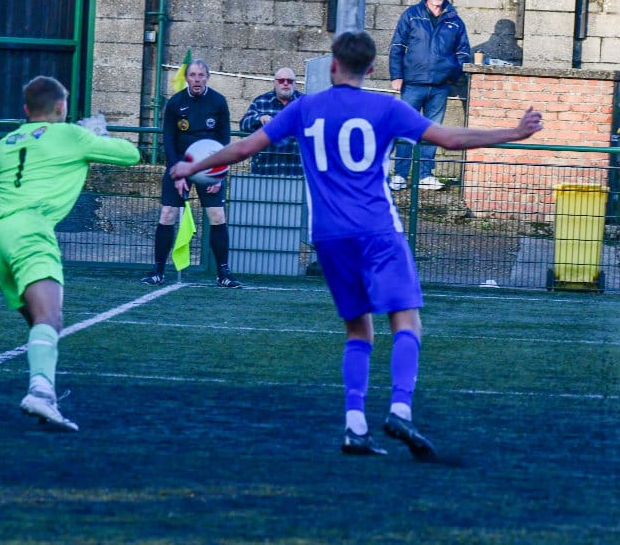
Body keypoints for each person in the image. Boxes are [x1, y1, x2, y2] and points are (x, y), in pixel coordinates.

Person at [171, 31, 542, 458]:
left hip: (330, 236)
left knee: (358, 329)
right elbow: (451, 139)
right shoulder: (386, 107)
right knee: (406, 320)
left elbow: (243, 149)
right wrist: (514, 132)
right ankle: (400, 409)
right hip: (378, 230)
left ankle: (355, 425)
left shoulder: (304, 108)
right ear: (371, 69)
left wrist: (191, 167)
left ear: (333, 66)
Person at [0, 75, 140, 432]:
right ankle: (40, 393)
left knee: (41, 322)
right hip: (31, 232)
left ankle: (44, 390)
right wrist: (96, 137)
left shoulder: (6, 142)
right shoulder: (71, 136)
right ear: (62, 107)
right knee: (50, 318)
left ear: (26, 109)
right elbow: (132, 155)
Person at [141, 58, 242, 288]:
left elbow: (224, 139)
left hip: (210, 167)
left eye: (201, 75)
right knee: (167, 214)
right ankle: (157, 271)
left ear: (207, 77)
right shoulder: (176, 103)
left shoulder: (218, 102)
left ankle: (224, 274)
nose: (197, 80)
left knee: (217, 215)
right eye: (193, 75)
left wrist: (219, 174)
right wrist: (177, 173)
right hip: (180, 166)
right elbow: (168, 139)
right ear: (186, 78)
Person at [388, 0, 471, 192]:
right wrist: (396, 76)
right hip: (412, 84)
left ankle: (425, 176)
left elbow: (463, 53)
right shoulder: (411, 15)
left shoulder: (455, 21)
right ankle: (400, 175)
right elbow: (397, 46)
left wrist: (452, 75)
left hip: (440, 87)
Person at [239, 67, 304, 176]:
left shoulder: (304, 102)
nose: (286, 83)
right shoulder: (261, 101)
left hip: (295, 171)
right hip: (265, 170)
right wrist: (259, 119)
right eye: (281, 80)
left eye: (290, 81)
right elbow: (244, 124)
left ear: (295, 84)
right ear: (274, 83)